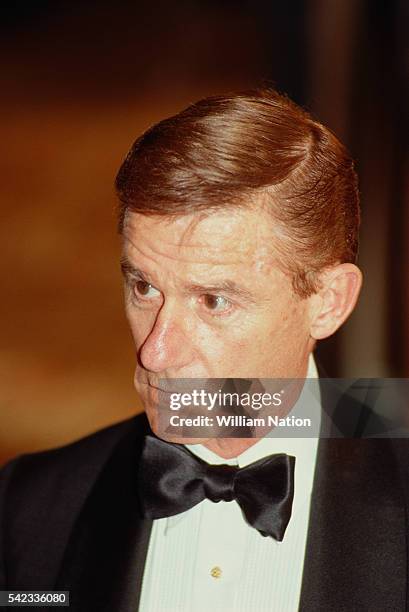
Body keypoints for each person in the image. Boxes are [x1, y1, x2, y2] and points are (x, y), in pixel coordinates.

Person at [0, 88, 407, 612]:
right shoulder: (30, 508)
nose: (156, 352)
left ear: (328, 302)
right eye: (144, 287)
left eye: (214, 300)